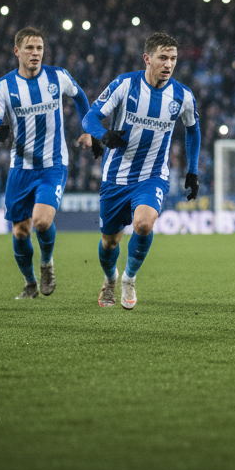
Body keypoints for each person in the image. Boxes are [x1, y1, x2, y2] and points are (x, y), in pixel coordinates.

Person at [82, 32, 201, 310]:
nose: (168, 64)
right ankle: (110, 279)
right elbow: (90, 117)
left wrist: (192, 170)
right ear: (147, 58)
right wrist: (103, 134)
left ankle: (129, 278)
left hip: (152, 175)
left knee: (144, 224)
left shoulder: (182, 95)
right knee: (110, 242)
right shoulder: (125, 84)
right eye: (163, 57)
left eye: (173, 58)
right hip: (115, 177)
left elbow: (193, 130)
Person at [0, 27, 93, 300]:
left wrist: (87, 128)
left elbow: (80, 96)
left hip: (53, 165)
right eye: (30, 48)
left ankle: (46, 263)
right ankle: (30, 283)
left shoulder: (57, 76)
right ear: (17, 51)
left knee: (42, 222)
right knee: (21, 231)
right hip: (21, 168)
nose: (35, 53)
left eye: (39, 48)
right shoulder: (4, 86)